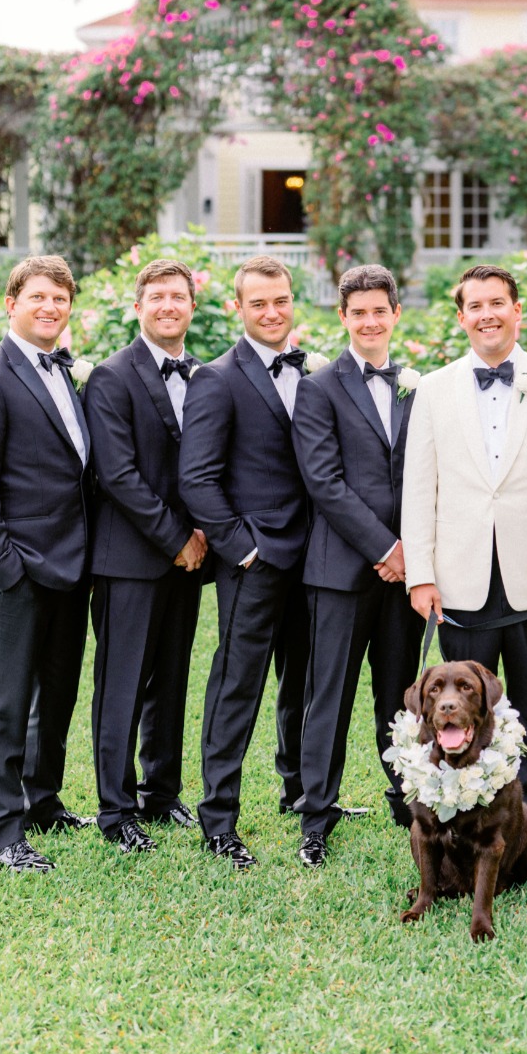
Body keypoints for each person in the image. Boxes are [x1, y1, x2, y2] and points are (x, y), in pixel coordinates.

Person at [400, 263, 527, 829]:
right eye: (475, 306)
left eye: (497, 303)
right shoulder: (434, 390)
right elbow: (420, 489)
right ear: (461, 318)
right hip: (460, 581)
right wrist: (422, 575)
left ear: (517, 311)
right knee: (459, 705)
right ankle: (465, 815)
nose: (487, 314)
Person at [0, 255, 94, 872]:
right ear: (13, 304)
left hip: (71, 563)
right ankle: (4, 831)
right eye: (37, 297)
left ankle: (41, 800)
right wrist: (3, 568)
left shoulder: (64, 371)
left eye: (59, 299)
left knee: (56, 694)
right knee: (7, 702)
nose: (49, 308)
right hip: (17, 570)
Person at [178, 255, 311, 868]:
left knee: (302, 683)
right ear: (238, 308)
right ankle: (219, 819)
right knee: (238, 686)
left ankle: (299, 789)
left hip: (312, 560)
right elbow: (197, 480)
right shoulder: (217, 378)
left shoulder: (313, 372)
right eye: (258, 303)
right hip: (253, 562)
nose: (271, 312)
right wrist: (244, 549)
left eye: (280, 300)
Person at [291, 263, 423, 868]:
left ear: (396, 315)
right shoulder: (318, 388)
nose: (370, 321)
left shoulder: (419, 384)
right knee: (331, 696)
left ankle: (409, 802)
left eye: (379, 311)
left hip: (406, 576)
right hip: (342, 570)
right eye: (358, 312)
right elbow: (323, 481)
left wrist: (413, 552)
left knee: (400, 698)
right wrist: (384, 548)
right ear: (342, 318)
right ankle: (317, 816)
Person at [83, 258, 211, 853]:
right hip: (130, 560)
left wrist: (204, 536)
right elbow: (118, 474)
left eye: (177, 297)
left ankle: (162, 792)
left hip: (189, 562)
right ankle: (116, 809)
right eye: (156, 296)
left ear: (192, 306)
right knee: (122, 684)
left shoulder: (203, 374)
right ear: (138, 307)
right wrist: (177, 538)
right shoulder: (112, 377)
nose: (167, 306)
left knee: (172, 679)